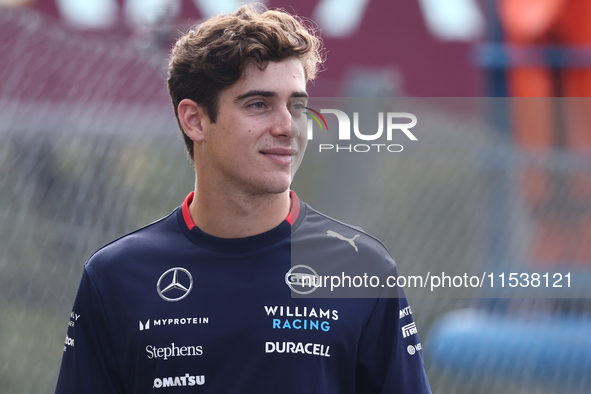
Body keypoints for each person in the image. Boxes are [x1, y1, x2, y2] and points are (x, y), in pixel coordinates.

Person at [55, 5, 431, 393]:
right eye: (258, 104)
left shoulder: (362, 268)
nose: (287, 126)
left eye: (297, 106)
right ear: (195, 120)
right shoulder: (115, 277)